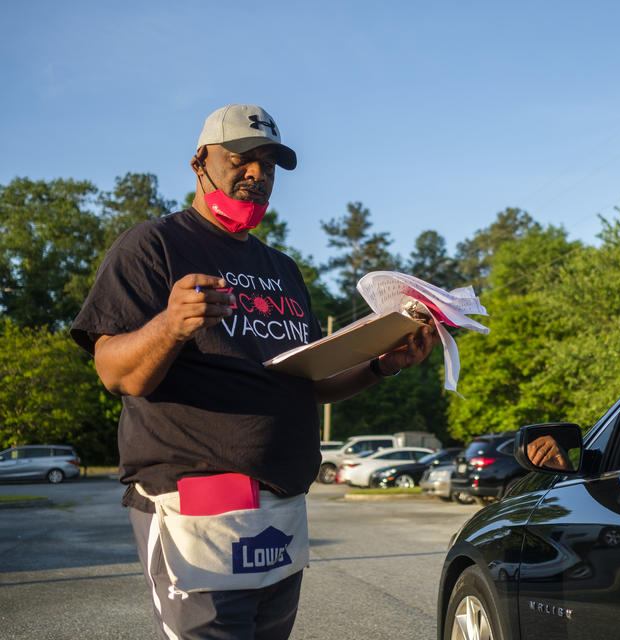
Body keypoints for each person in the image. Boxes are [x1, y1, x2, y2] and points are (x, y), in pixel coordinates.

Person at [70, 104, 437, 640]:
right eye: (242, 158)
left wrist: (382, 365)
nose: (258, 174)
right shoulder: (153, 245)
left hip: (282, 507)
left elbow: (309, 381)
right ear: (200, 162)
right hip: (196, 505)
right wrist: (171, 326)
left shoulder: (281, 268)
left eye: (269, 163)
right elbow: (114, 372)